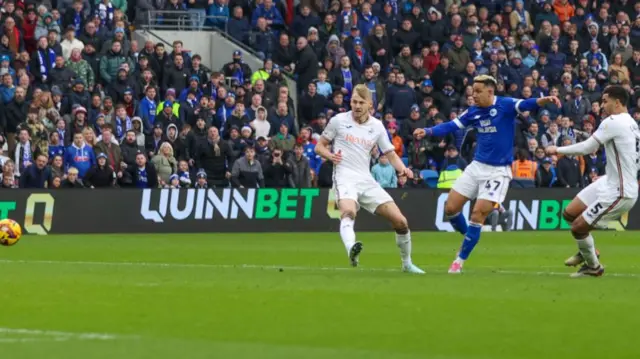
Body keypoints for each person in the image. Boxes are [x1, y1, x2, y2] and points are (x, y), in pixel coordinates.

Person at [413, 75, 561, 273]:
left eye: (478, 91)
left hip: (498, 172)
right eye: (473, 91)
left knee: (477, 213)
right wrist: (428, 131)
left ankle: (459, 260)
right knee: (450, 208)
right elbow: (451, 125)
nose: (473, 95)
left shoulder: (505, 105)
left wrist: (544, 100)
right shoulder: (473, 112)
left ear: (490, 92)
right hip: (476, 167)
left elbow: (526, 103)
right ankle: (470, 238)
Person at [315, 84, 424, 274]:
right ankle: (352, 249)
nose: (356, 106)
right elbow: (320, 146)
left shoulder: (376, 126)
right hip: (344, 176)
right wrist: (330, 156)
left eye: (360, 102)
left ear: (369, 105)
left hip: (366, 179)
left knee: (401, 222)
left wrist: (403, 169)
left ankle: (407, 264)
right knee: (348, 212)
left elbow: (390, 154)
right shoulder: (338, 121)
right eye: (354, 102)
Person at [545, 86, 640, 277]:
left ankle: (594, 267)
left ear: (618, 102)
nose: (602, 105)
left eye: (605, 101)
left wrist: (558, 150)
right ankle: (587, 249)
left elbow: (588, 147)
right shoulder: (632, 123)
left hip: (620, 191)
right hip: (608, 181)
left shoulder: (613, 121)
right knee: (569, 213)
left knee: (578, 227)